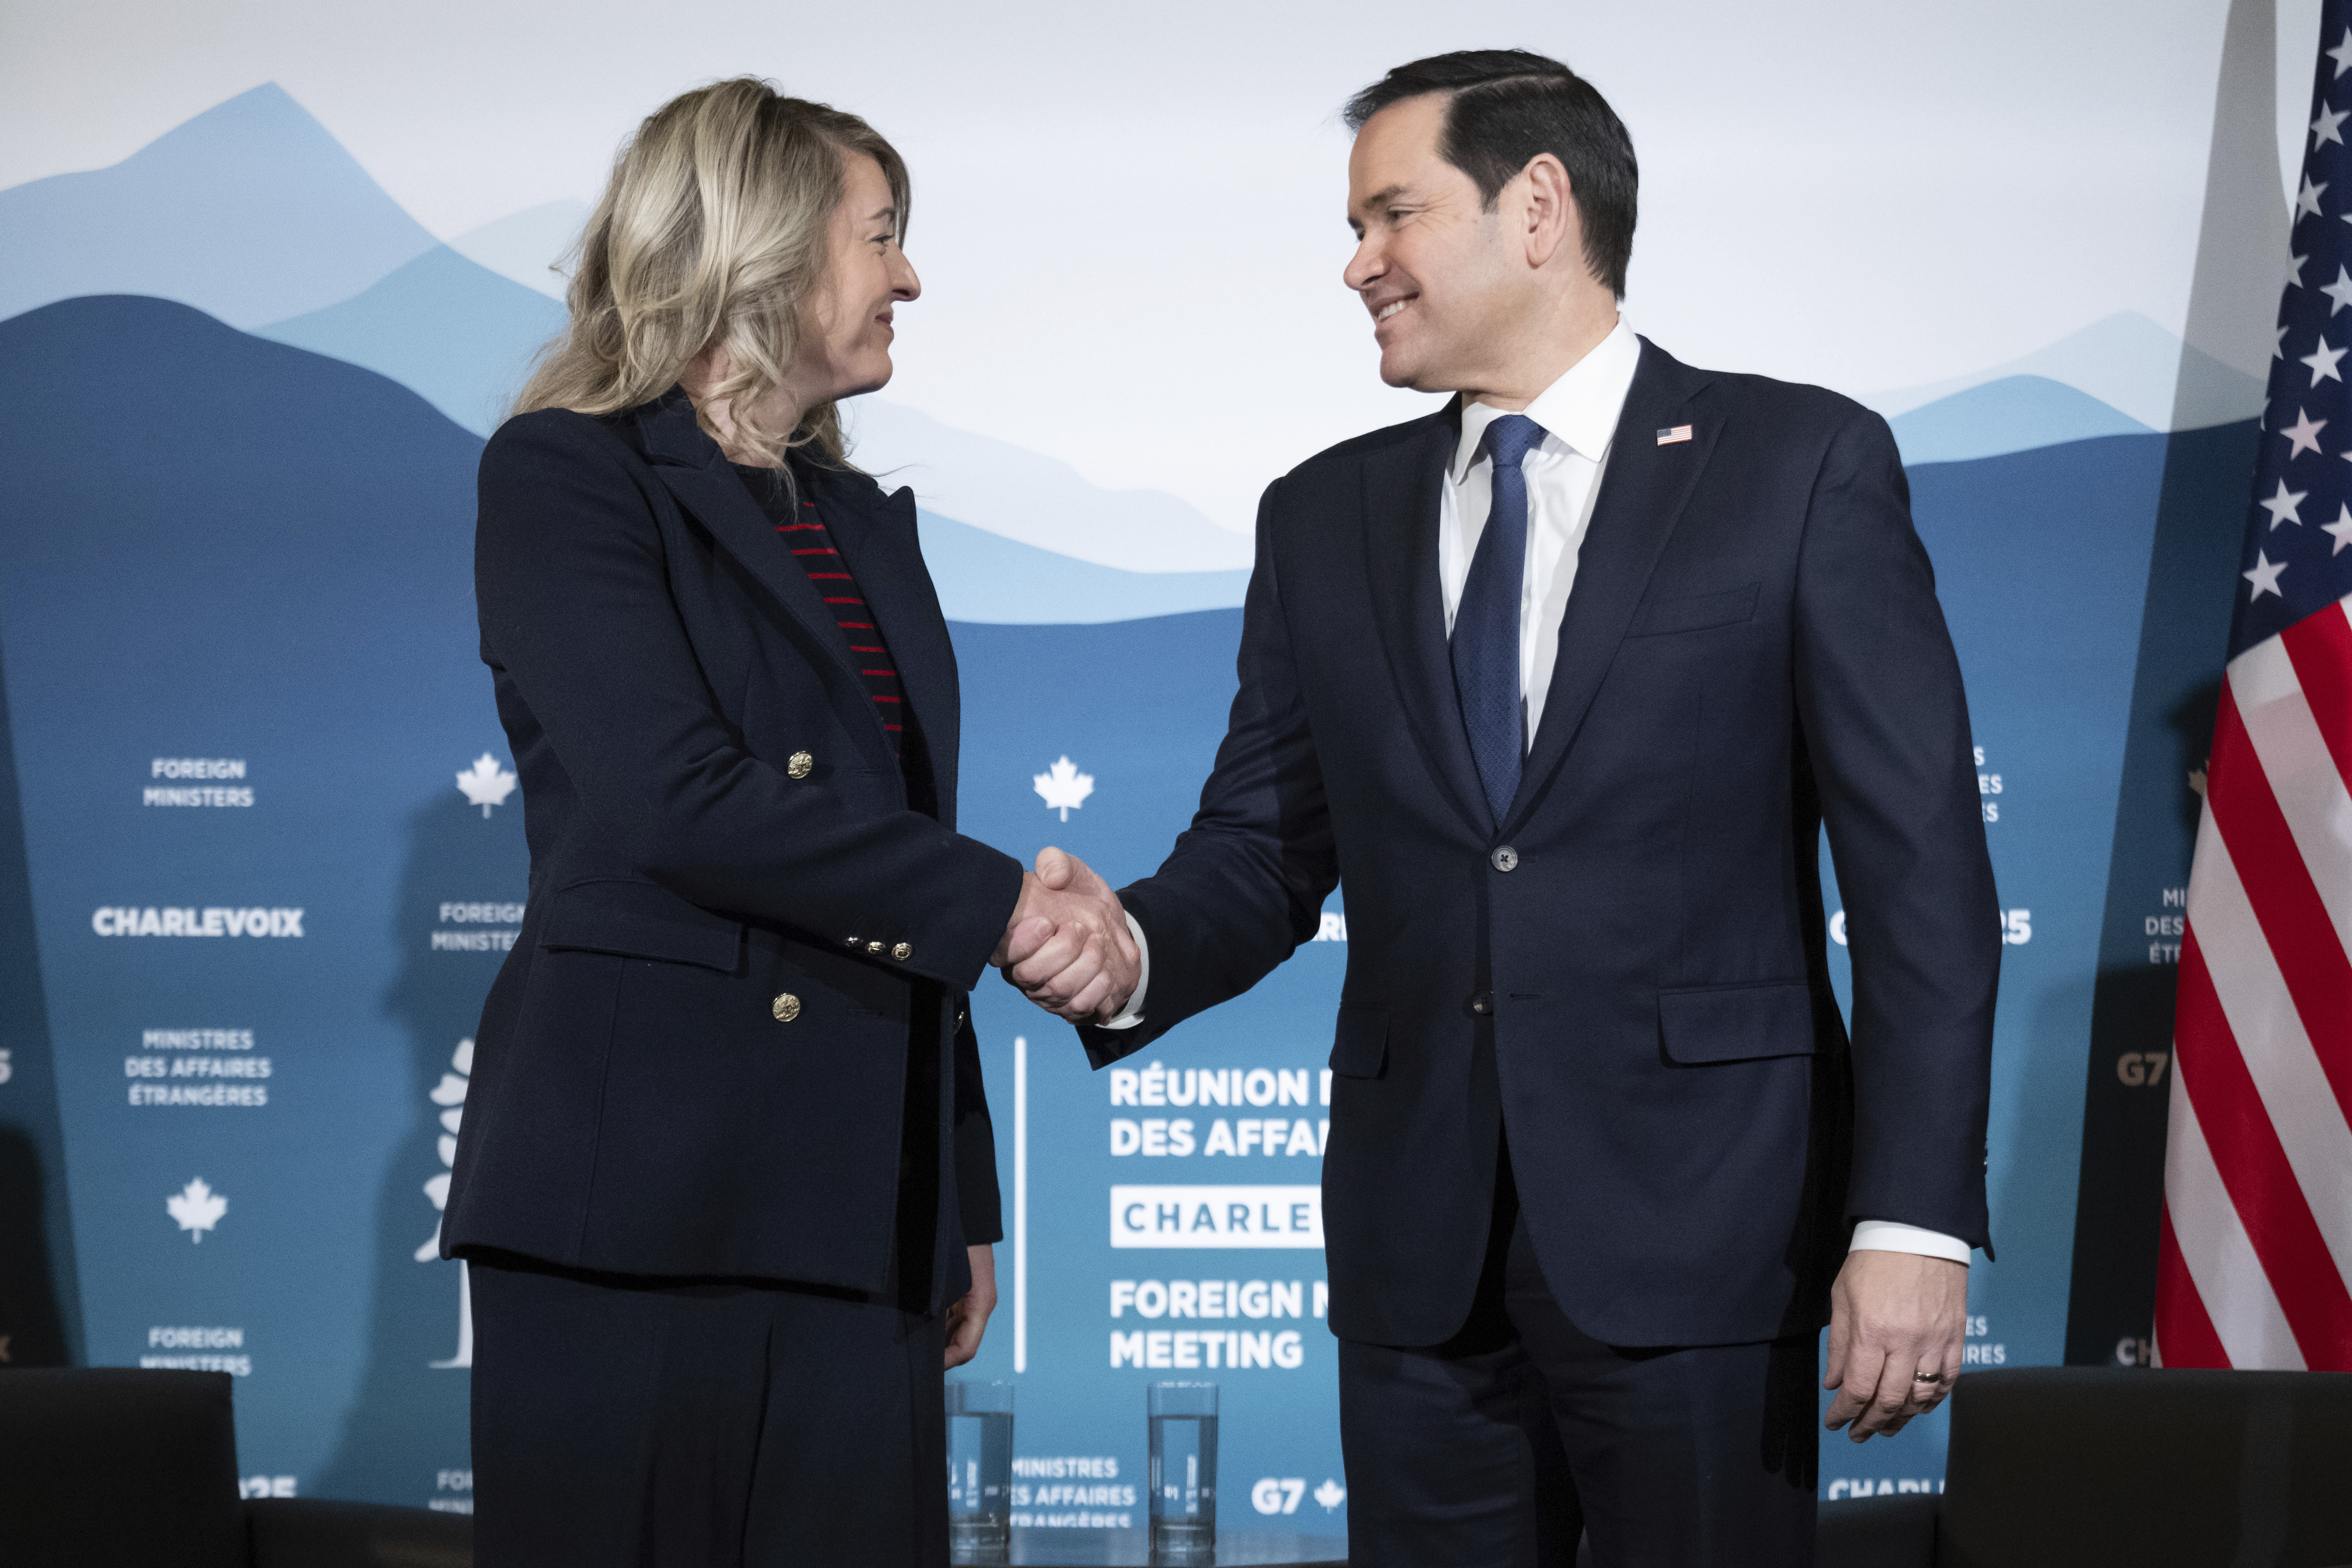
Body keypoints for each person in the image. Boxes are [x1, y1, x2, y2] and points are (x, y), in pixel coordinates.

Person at [1005, 49, 1999, 1567]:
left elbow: (1920, 874)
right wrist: (1130, 946)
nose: (1356, 263)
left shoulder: (1795, 466)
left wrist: (1911, 1218)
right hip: (1421, 1256)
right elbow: (1266, 845)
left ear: (1538, 208)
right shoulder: (1323, 513)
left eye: (1391, 214)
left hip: (1708, 1239)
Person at [445, 79, 1131, 1568]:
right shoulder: (566, 473)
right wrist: (1010, 905)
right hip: (637, 1199)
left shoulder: (856, 521)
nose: (908, 276)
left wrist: (953, 1186)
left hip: (852, 1205)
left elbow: (885, 849)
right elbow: (676, 797)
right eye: (880, 235)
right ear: (758, 248)